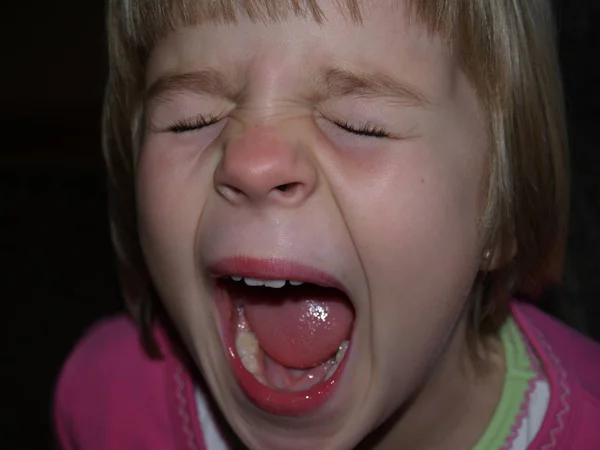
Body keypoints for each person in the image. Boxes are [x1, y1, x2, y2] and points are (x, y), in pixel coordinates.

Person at [53, 0, 600, 448]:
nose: (251, 161)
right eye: (190, 119)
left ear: (499, 212)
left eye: (359, 125)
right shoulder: (103, 402)